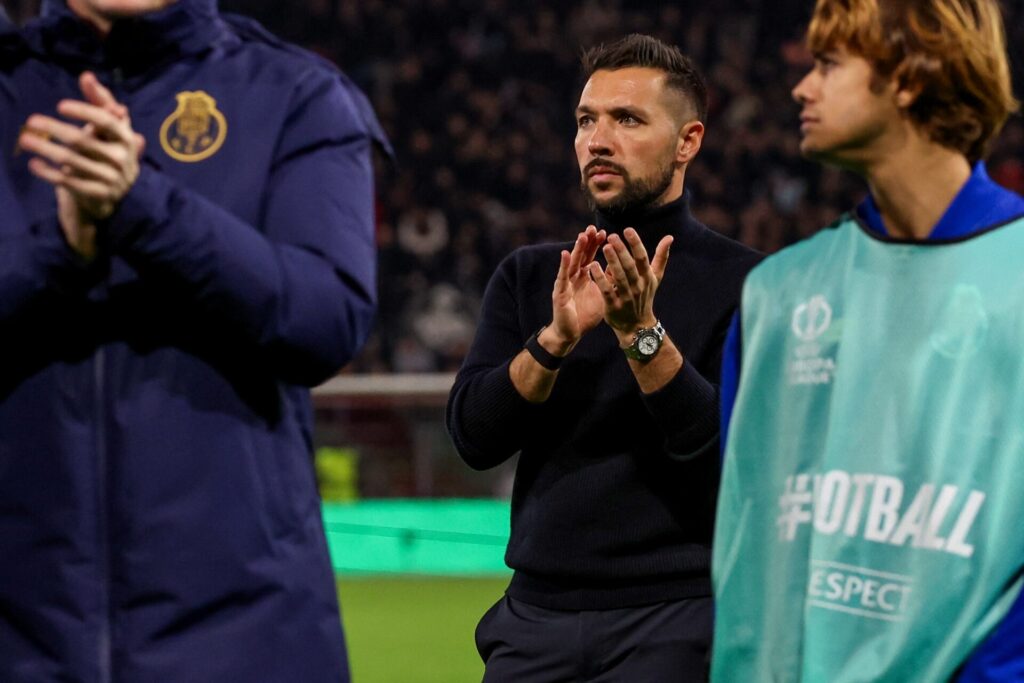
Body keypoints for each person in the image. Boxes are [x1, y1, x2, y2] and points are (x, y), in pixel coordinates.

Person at [3, 0, 388, 680]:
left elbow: (327, 319)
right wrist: (59, 250)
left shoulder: (294, 94)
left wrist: (142, 208)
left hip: (245, 644)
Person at [712, 0, 1024, 680]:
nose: (800, 86)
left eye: (828, 64)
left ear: (909, 76)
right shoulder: (778, 297)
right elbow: (747, 549)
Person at [446, 33, 761, 681]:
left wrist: (642, 333)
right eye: (587, 120)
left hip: (678, 618)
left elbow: (733, 468)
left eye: (628, 119)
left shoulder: (750, 284)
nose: (598, 138)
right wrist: (553, 341)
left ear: (688, 142)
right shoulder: (532, 277)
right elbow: (475, 438)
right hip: (533, 617)